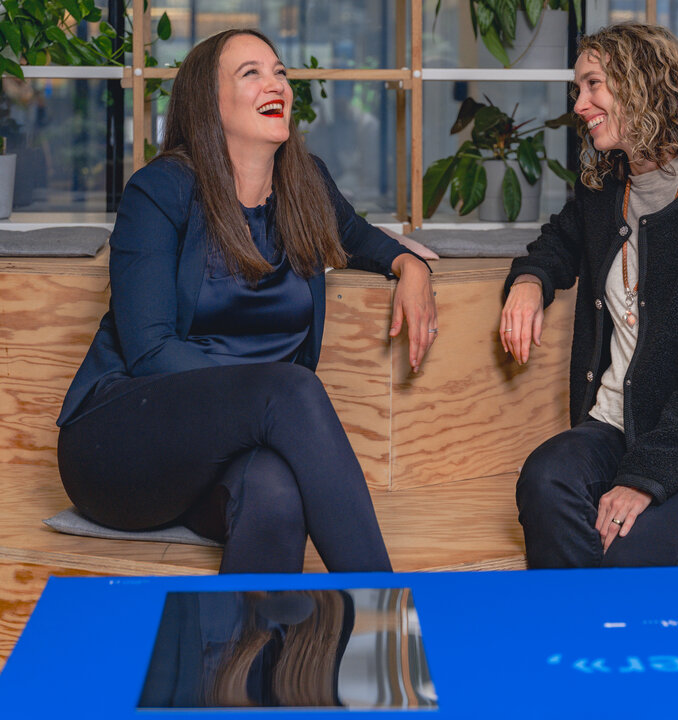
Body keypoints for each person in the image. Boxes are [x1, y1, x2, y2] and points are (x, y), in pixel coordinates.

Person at [56, 29, 438, 574]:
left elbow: (357, 236)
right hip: (123, 446)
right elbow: (148, 351)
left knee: (276, 495)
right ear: (208, 101)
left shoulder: (306, 184)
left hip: (227, 456)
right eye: (251, 73)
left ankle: (249, 634)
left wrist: (410, 266)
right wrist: (260, 396)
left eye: (279, 71)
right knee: (290, 388)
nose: (275, 83)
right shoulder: (160, 189)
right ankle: (385, 614)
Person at [500, 23, 678, 568]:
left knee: (633, 557)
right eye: (578, 90)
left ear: (642, 84)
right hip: (617, 427)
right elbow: (558, 243)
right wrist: (529, 282)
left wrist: (644, 478)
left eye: (593, 85)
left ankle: (590, 620)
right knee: (545, 478)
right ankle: (580, 623)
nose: (579, 105)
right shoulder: (604, 190)